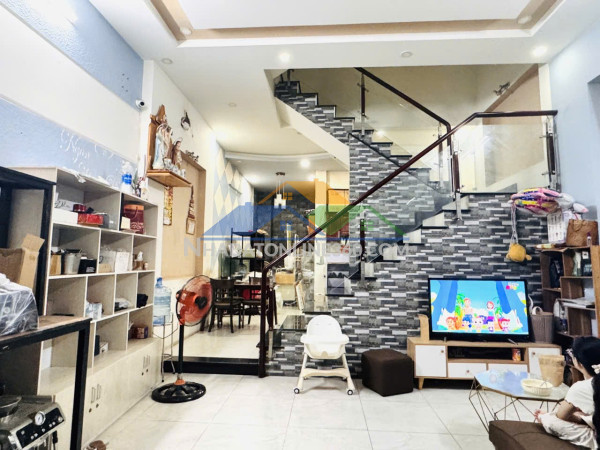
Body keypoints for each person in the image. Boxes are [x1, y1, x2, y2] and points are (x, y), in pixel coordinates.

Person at [534, 336, 600, 449]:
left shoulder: (580, 388)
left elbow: (561, 416)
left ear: (578, 363)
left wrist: (548, 416)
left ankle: (543, 417)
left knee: (551, 421)